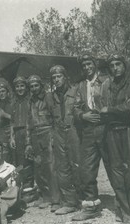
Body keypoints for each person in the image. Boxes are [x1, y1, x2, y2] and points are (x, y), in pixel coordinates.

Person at [101, 54, 130, 224]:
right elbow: (100, 107)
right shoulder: (107, 85)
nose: (115, 68)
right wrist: (108, 111)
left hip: (128, 130)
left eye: (118, 64)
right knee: (116, 173)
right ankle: (125, 213)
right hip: (111, 132)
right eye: (112, 65)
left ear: (124, 66)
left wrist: (110, 110)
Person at [72, 53, 111, 221]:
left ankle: (126, 207)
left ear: (95, 64)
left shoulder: (106, 80)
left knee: (114, 166)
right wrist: (82, 116)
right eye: (84, 65)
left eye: (89, 64)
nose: (87, 67)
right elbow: (75, 108)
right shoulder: (81, 85)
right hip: (88, 131)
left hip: (107, 129)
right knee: (86, 169)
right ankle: (91, 205)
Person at [25, 75, 60, 212]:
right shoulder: (30, 101)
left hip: (48, 133)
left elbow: (55, 118)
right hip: (35, 136)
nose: (34, 88)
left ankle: (56, 199)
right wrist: (28, 143)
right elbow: (28, 123)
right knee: (39, 167)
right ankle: (45, 196)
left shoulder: (49, 97)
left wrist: (53, 135)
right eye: (32, 86)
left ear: (41, 85)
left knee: (51, 167)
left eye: (36, 85)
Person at [49, 65, 80, 215]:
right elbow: (49, 117)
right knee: (62, 168)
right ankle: (69, 202)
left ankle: (84, 199)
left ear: (65, 77)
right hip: (58, 132)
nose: (56, 80)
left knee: (78, 165)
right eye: (54, 77)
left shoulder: (76, 91)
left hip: (74, 131)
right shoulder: (52, 96)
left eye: (59, 76)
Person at [10, 76, 36, 203]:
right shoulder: (14, 103)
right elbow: (12, 121)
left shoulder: (30, 100)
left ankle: (32, 188)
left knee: (30, 160)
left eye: (22, 86)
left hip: (29, 132)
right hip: (17, 133)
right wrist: (12, 137)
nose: (20, 89)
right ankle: (25, 189)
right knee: (20, 163)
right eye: (17, 87)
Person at [0, 81, 13, 164]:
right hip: (1, 133)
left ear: (7, 92)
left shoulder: (13, 103)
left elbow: (18, 118)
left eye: (3, 91)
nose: (1, 94)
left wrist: (4, 115)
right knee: (4, 158)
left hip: (11, 132)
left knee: (13, 157)